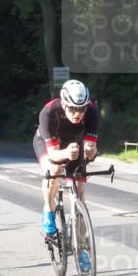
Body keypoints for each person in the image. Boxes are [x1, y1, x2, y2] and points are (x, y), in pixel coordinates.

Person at [33, 80, 99, 264]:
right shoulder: (48, 113)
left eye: (81, 109)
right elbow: (54, 154)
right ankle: (48, 210)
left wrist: (91, 151)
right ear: (63, 104)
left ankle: (82, 248)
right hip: (49, 145)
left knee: (79, 193)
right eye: (72, 109)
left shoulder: (92, 111)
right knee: (54, 169)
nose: (77, 114)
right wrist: (66, 154)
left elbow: (92, 148)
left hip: (73, 144)